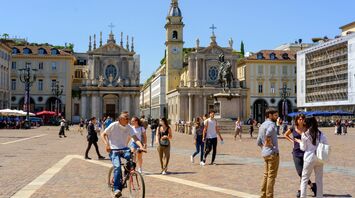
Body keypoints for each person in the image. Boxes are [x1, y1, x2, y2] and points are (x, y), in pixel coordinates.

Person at [101, 112, 146, 198]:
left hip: (124, 148)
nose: (128, 120)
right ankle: (116, 189)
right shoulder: (114, 125)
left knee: (131, 158)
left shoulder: (128, 127)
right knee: (117, 167)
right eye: (126, 119)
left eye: (128, 118)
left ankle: (126, 174)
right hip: (114, 149)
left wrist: (141, 146)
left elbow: (135, 138)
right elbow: (103, 134)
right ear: (121, 119)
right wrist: (107, 144)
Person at [284, 114, 316, 197]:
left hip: (306, 152)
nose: (301, 120)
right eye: (299, 119)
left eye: (302, 119)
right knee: (300, 172)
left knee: (304, 172)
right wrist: (292, 141)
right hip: (296, 152)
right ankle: (312, 185)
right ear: (297, 120)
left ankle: (300, 190)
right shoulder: (293, 127)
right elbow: (285, 135)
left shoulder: (307, 127)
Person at [295, 117, 327, 198]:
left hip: (309, 157)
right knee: (319, 179)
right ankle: (319, 196)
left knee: (304, 179)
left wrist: (299, 142)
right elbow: (325, 144)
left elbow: (303, 148)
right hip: (320, 157)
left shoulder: (305, 134)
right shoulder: (321, 133)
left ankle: (303, 196)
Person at [256, 108, 279, 198]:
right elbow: (268, 134)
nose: (277, 117)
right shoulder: (272, 125)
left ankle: (263, 195)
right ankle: (269, 196)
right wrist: (271, 146)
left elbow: (258, 142)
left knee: (266, 175)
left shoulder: (262, 125)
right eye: (275, 115)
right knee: (271, 176)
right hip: (272, 154)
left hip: (265, 153)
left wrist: (264, 148)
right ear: (270, 115)